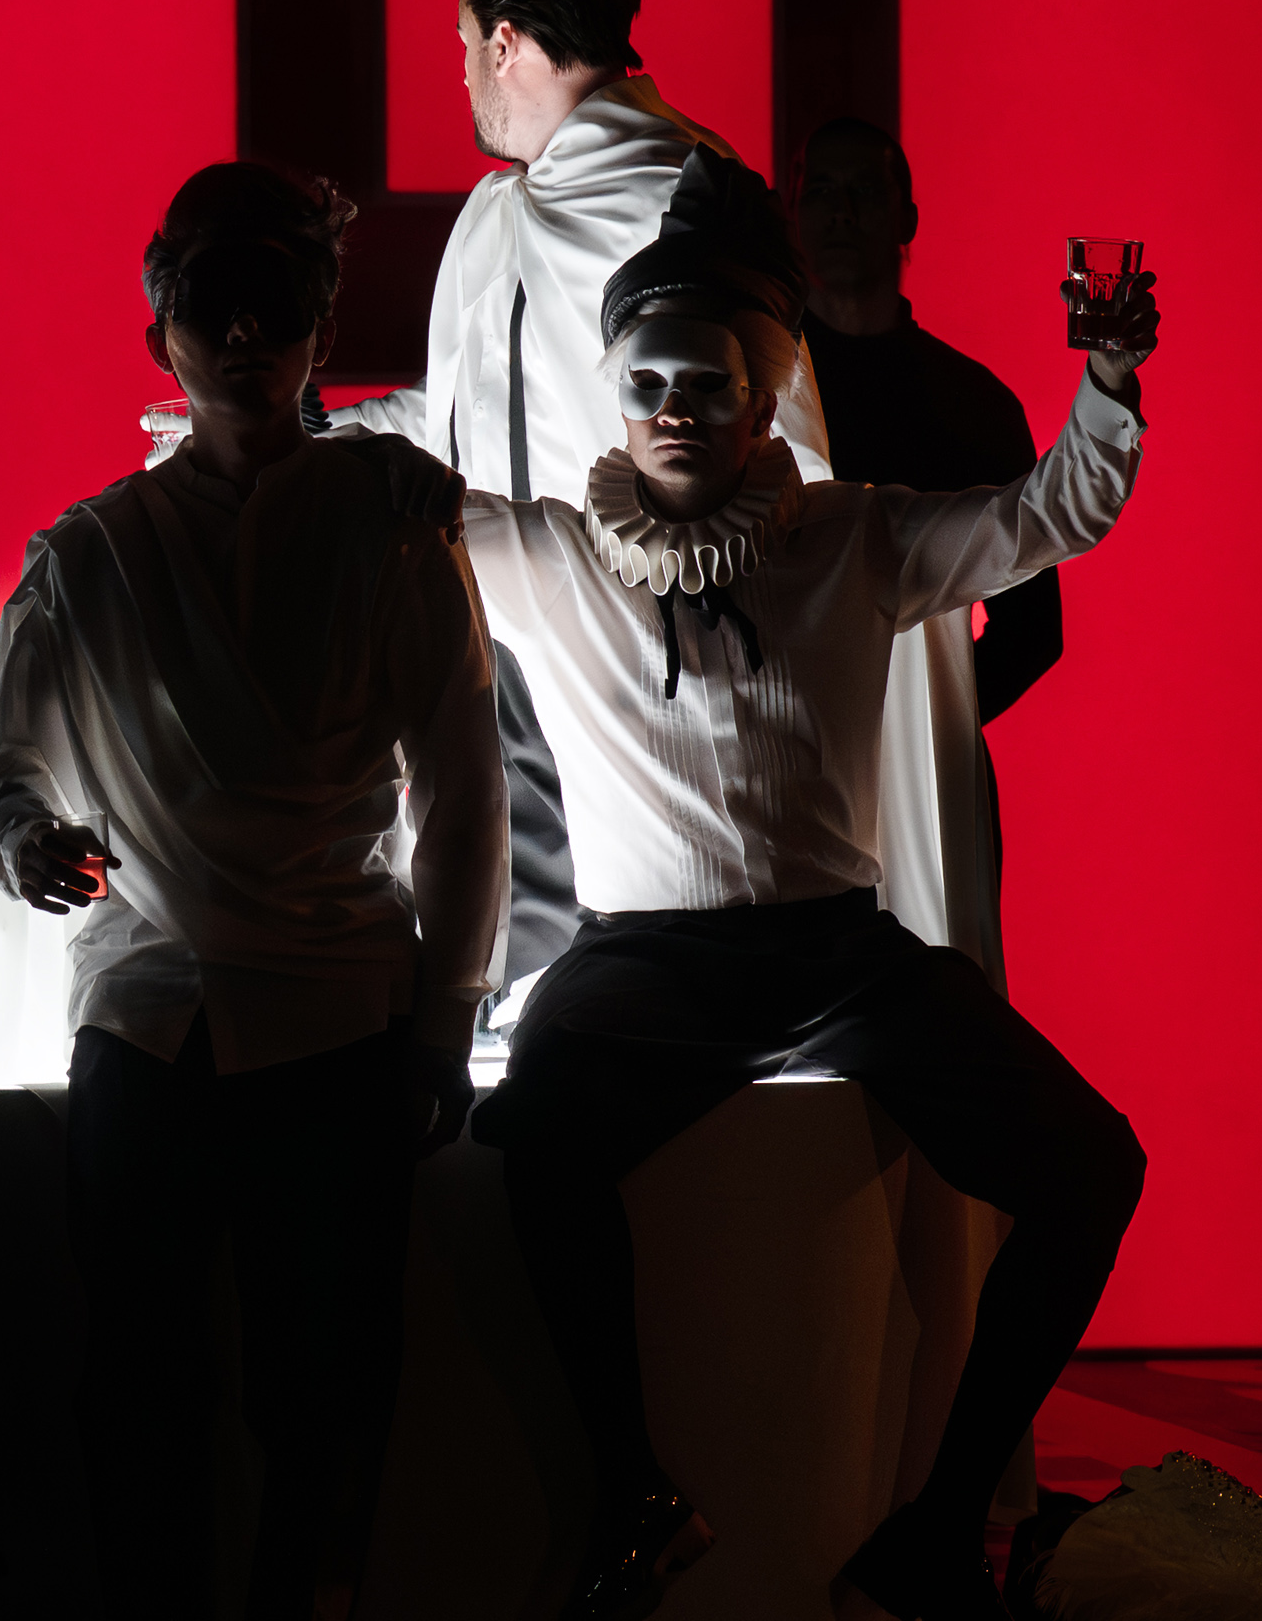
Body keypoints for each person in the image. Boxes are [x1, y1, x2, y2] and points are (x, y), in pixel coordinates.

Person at [455, 152, 1153, 1621]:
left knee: (1094, 1167)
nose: (671, 411)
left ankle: (941, 1523)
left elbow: (1046, 516)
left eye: (704, 386)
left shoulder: (852, 536)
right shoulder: (553, 556)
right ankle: (635, 1491)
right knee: (534, 1141)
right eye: (646, 385)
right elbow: (393, 512)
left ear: (762, 399)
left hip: (840, 959)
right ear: (614, 395)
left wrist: (1107, 379)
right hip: (642, 962)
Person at [0, 163, 506, 1619]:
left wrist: (443, 1020)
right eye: (216, 304)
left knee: (324, 1389)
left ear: (321, 329)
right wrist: (22, 837)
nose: (247, 334)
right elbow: (3, 761)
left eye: (278, 304)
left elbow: (464, 790)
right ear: (163, 331)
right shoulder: (87, 554)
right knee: (134, 1381)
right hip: (150, 1014)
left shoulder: (393, 525)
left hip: (337, 1009)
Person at [334, 0, 825, 1031]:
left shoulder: (687, 195)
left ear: (504, 40)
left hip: (642, 637)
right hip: (496, 621)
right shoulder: (500, 210)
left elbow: (786, 436)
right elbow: (460, 415)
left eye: (466, 46)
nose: (465, 76)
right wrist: (319, 431)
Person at [797, 117, 1061, 984]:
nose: (841, 213)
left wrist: (924, 716)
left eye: (862, 193)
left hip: (929, 764)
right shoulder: (760, 399)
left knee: (939, 987)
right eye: (821, 193)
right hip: (784, 762)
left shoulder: (972, 402)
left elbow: (1035, 629)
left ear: (905, 218)